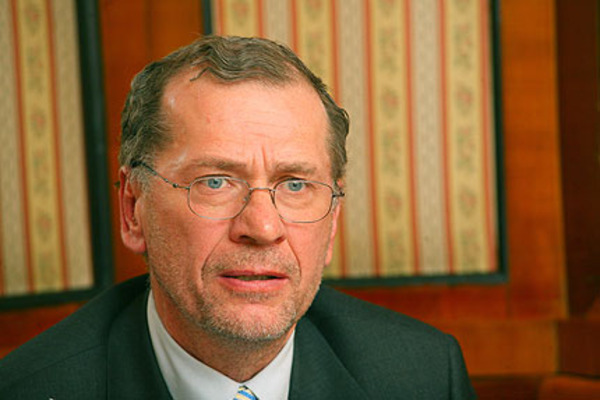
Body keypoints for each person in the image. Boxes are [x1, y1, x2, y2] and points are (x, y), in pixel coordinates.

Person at [0, 35, 476, 399]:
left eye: (295, 185)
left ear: (332, 220)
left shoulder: (424, 375)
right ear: (133, 210)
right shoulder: (30, 389)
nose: (263, 228)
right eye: (215, 182)